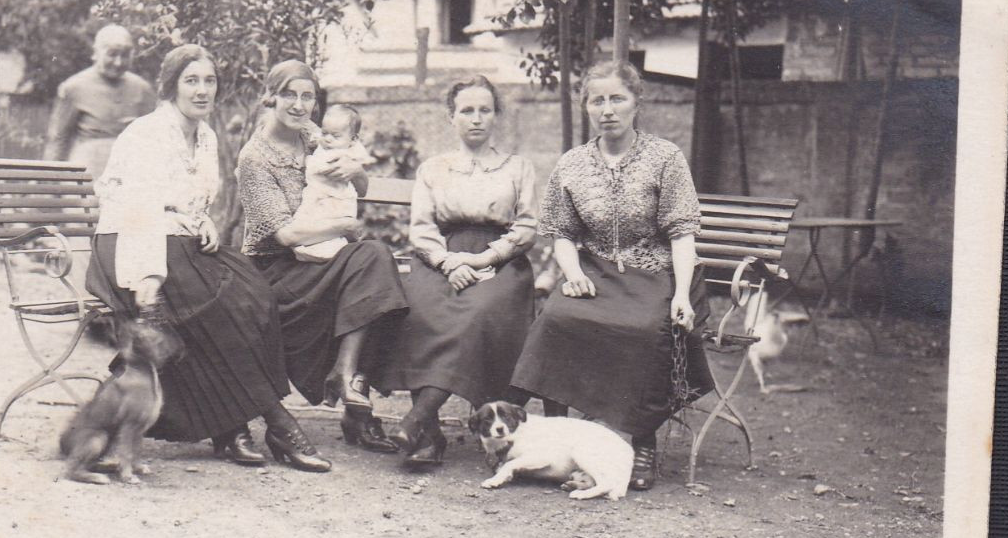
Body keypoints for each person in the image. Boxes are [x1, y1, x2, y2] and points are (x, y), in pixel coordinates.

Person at [85, 44, 330, 473]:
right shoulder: (148, 133)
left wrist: (204, 221)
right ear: (171, 86)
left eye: (209, 81)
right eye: (191, 81)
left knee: (252, 291)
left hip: (176, 241)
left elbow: (192, 201)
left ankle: (230, 426)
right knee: (216, 304)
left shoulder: (207, 135)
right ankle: (276, 421)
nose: (202, 91)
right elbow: (134, 205)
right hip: (130, 245)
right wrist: (149, 277)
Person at [508, 62, 715, 491]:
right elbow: (562, 234)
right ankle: (557, 436)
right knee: (556, 321)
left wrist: (681, 295)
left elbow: (681, 234)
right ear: (585, 107)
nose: (607, 110)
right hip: (595, 271)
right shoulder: (573, 164)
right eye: (596, 100)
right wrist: (572, 273)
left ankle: (642, 441)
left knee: (644, 330)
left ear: (637, 102)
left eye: (617, 98)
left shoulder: (665, 157)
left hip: (657, 272)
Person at [236, 61, 408, 454]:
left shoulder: (314, 137)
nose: (299, 105)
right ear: (271, 97)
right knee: (372, 262)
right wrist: (344, 227)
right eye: (289, 95)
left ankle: (346, 376)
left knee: (377, 264)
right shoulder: (255, 158)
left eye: (307, 96)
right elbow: (284, 234)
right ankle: (353, 396)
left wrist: (354, 168)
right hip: (275, 268)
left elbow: (360, 185)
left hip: (321, 259)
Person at [375, 76, 539, 468]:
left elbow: (527, 227)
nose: (476, 118)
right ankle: (430, 435)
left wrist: (482, 260)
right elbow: (422, 229)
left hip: (500, 263)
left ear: (496, 115)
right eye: (467, 110)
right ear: (452, 117)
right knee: (419, 308)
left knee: (477, 312)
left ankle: (415, 420)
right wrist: (449, 262)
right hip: (441, 258)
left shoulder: (517, 167)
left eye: (485, 110)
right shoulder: (434, 168)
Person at [44, 23, 156, 175]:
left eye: (125, 55)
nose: (118, 62)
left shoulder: (142, 89)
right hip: (88, 172)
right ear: (96, 53)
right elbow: (58, 139)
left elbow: (154, 140)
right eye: (112, 54)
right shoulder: (74, 87)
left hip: (130, 174)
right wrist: (50, 181)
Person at [287, 104, 372, 263]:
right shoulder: (326, 143)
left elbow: (319, 168)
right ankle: (315, 251)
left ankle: (325, 253)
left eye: (335, 135)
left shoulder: (340, 154)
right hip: (318, 198)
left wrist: (307, 160)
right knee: (309, 222)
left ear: (353, 139)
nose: (327, 139)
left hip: (336, 201)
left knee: (329, 226)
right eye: (324, 133)